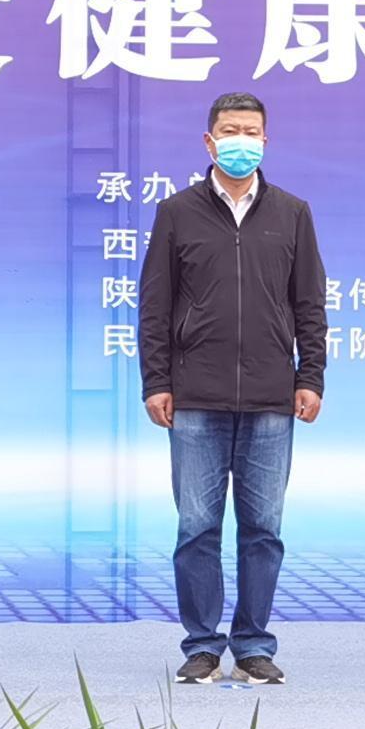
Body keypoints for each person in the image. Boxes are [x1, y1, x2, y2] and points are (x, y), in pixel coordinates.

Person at [136, 91, 329, 687]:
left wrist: (311, 376)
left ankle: (252, 645)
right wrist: (157, 382)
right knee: (196, 527)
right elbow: (154, 306)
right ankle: (201, 646)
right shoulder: (177, 212)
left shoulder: (292, 212)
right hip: (195, 397)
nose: (240, 140)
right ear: (209, 140)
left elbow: (309, 304)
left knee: (263, 529)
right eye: (229, 130)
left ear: (265, 141)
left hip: (272, 398)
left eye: (251, 131)